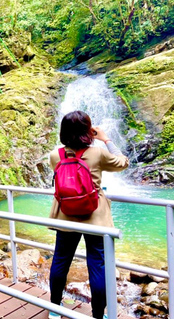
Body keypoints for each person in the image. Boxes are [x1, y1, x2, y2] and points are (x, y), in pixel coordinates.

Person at [48, 110, 129, 319]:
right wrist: (105, 139)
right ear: (88, 131)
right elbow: (122, 162)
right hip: (95, 218)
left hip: (65, 215)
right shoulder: (98, 153)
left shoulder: (56, 155)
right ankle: (97, 315)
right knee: (97, 265)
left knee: (60, 261)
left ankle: (54, 310)